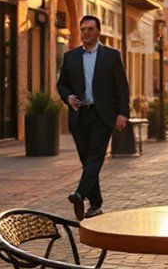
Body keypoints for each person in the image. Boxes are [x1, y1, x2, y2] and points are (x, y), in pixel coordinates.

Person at [56, 15, 130, 221]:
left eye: (90, 29)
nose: (86, 33)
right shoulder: (71, 57)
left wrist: (123, 113)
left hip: (102, 115)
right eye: (83, 30)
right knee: (86, 159)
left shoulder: (112, 56)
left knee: (96, 156)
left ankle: (80, 193)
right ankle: (95, 203)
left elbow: (122, 87)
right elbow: (62, 84)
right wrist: (68, 97)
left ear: (98, 31)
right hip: (80, 115)